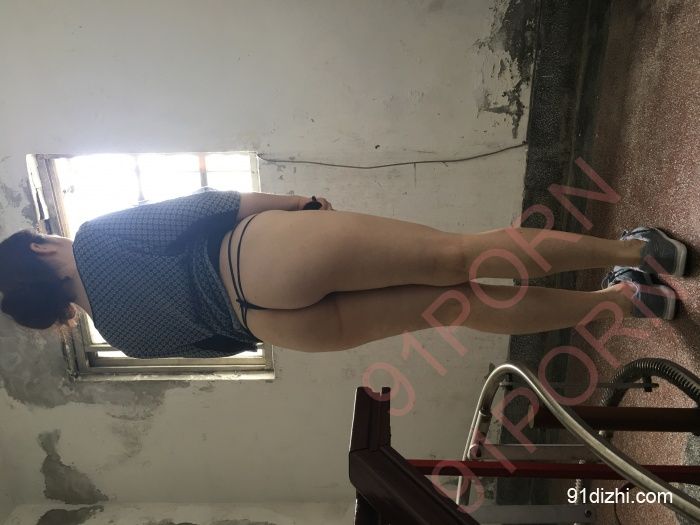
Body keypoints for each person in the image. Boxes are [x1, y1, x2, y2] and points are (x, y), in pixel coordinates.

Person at [0, 189, 687, 358]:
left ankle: (629, 304)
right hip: (255, 259)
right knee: (461, 255)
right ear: (37, 251)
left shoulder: (121, 337)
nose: (51, 233)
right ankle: (640, 252)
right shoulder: (94, 239)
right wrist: (298, 204)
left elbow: (224, 346)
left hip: (276, 325)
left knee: (459, 305)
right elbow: (205, 207)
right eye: (40, 234)